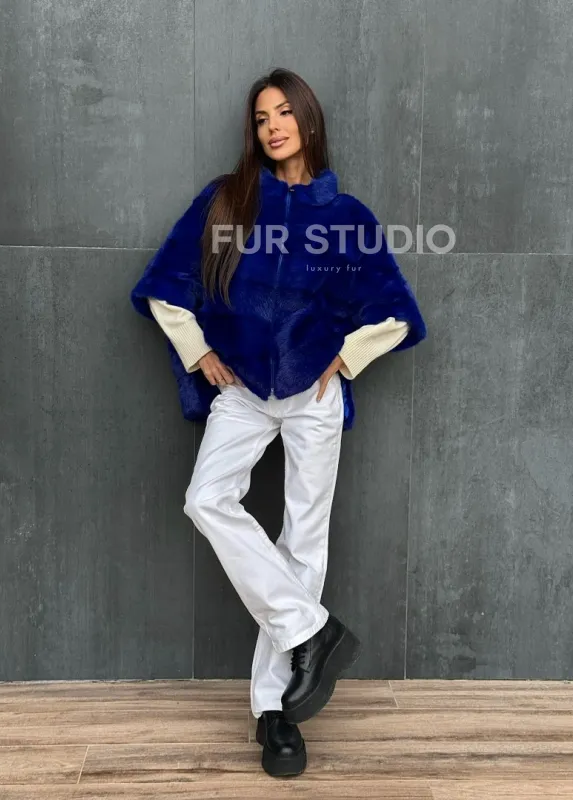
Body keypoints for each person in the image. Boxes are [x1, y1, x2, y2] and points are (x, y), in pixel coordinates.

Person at [130, 67, 427, 778]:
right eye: (262, 117)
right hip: (241, 388)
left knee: (304, 541)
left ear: (308, 120)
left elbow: (397, 312)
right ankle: (310, 630)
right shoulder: (227, 199)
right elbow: (166, 286)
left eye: (284, 112)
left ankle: (277, 711)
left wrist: (346, 358)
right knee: (206, 498)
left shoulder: (346, 216)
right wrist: (199, 351)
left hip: (312, 394)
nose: (273, 127)